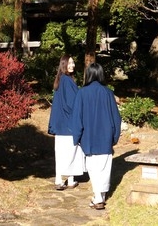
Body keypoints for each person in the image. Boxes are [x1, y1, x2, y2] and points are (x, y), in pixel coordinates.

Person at [70, 62, 121, 211]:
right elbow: (116, 118)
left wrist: (77, 137)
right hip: (105, 136)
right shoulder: (108, 93)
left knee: (92, 167)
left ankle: (98, 197)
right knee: (104, 167)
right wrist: (114, 137)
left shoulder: (82, 93)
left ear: (89, 75)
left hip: (89, 137)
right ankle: (101, 196)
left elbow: (77, 118)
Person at [47, 55, 84, 190]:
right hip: (69, 124)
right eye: (70, 63)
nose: (72, 65)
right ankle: (69, 179)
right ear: (64, 64)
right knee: (71, 152)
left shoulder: (60, 80)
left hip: (60, 125)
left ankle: (61, 179)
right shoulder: (67, 81)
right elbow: (72, 103)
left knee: (61, 153)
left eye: (73, 62)